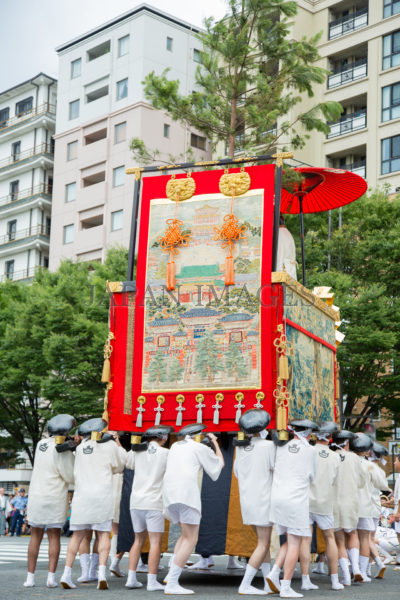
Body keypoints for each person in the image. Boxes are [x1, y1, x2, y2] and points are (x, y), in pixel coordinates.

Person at [60, 419, 126, 590]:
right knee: (103, 534)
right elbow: (120, 465)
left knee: (77, 536)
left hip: (81, 497)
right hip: (102, 495)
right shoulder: (109, 446)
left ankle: (66, 574)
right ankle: (101, 574)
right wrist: (114, 440)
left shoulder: (81, 448)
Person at [163, 423, 224, 595]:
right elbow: (219, 466)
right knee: (191, 538)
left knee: (184, 535)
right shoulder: (199, 447)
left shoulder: (175, 445)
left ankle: (171, 576)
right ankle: (172, 582)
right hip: (186, 493)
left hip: (169, 493)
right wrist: (215, 443)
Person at [267, 419, 318, 599]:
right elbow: (313, 476)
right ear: (306, 432)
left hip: (278, 497)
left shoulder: (279, 447)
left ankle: (274, 573)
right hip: (295, 500)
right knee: (295, 542)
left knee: (288, 540)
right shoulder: (310, 450)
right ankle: (286, 586)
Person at [24, 414, 76, 588]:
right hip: (55, 495)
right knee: (54, 536)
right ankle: (50, 578)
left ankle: (30, 578)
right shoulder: (64, 448)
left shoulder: (41, 444)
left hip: (37, 495)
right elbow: (69, 475)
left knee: (35, 536)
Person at [234, 409, 276, 595]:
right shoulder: (268, 446)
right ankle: (245, 584)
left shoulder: (241, 447)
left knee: (263, 542)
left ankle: (267, 583)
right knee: (263, 544)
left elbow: (236, 473)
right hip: (263, 499)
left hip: (247, 501)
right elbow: (277, 469)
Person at [125, 425, 171, 591]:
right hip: (154, 501)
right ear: (163, 438)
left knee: (138, 540)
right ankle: (151, 581)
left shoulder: (137, 451)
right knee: (155, 542)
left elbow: (128, 464)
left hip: (136, 501)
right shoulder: (166, 453)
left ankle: (131, 577)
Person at [300, 421, 343, 591]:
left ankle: (305, 579)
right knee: (330, 538)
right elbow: (335, 481)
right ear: (331, 438)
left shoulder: (308, 452)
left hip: (307, 500)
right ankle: (334, 580)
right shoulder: (335, 457)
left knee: (305, 539)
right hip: (325, 501)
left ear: (315, 435)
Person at [331, 429, 366, 585]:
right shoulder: (355, 458)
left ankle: (345, 576)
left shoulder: (331, 457)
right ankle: (357, 569)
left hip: (333, 501)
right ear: (347, 443)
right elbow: (362, 482)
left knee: (339, 541)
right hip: (350, 501)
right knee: (353, 535)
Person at [366, 441, 391, 578]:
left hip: (365, 506)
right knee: (371, 537)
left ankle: (377, 563)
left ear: (370, 452)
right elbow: (385, 489)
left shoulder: (365, 467)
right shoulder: (381, 471)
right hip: (376, 507)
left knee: (365, 539)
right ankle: (369, 568)